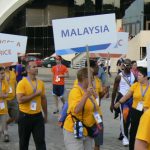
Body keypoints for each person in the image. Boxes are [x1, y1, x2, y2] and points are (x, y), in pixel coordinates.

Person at [63, 67, 103, 150]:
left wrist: (98, 122)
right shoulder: (75, 91)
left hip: (88, 130)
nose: (92, 80)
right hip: (74, 129)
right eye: (91, 78)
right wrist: (86, 95)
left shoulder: (90, 91)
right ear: (84, 78)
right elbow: (76, 110)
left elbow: (95, 110)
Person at [114, 67, 150, 150]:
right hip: (135, 112)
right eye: (137, 75)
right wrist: (119, 102)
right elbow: (127, 96)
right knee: (133, 131)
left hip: (147, 113)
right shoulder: (135, 85)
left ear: (145, 77)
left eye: (140, 75)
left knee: (144, 132)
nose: (138, 76)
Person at [16, 61, 47, 150]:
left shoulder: (40, 83)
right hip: (25, 116)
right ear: (28, 70)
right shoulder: (22, 83)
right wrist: (34, 94)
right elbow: (20, 100)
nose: (36, 68)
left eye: (36, 66)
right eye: (34, 67)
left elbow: (43, 99)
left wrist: (45, 114)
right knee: (23, 143)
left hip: (38, 116)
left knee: (41, 143)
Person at [110, 59, 136, 146]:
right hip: (122, 99)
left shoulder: (134, 76)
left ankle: (126, 132)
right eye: (127, 65)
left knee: (131, 118)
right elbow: (114, 91)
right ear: (123, 65)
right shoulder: (119, 77)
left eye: (130, 65)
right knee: (124, 116)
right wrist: (112, 103)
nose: (129, 67)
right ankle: (125, 136)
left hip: (131, 99)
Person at [0, 66, 9, 142]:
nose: (3, 75)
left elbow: (7, 94)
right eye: (1, 73)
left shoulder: (5, 82)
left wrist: (3, 95)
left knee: (2, 128)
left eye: (3, 73)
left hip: (3, 109)